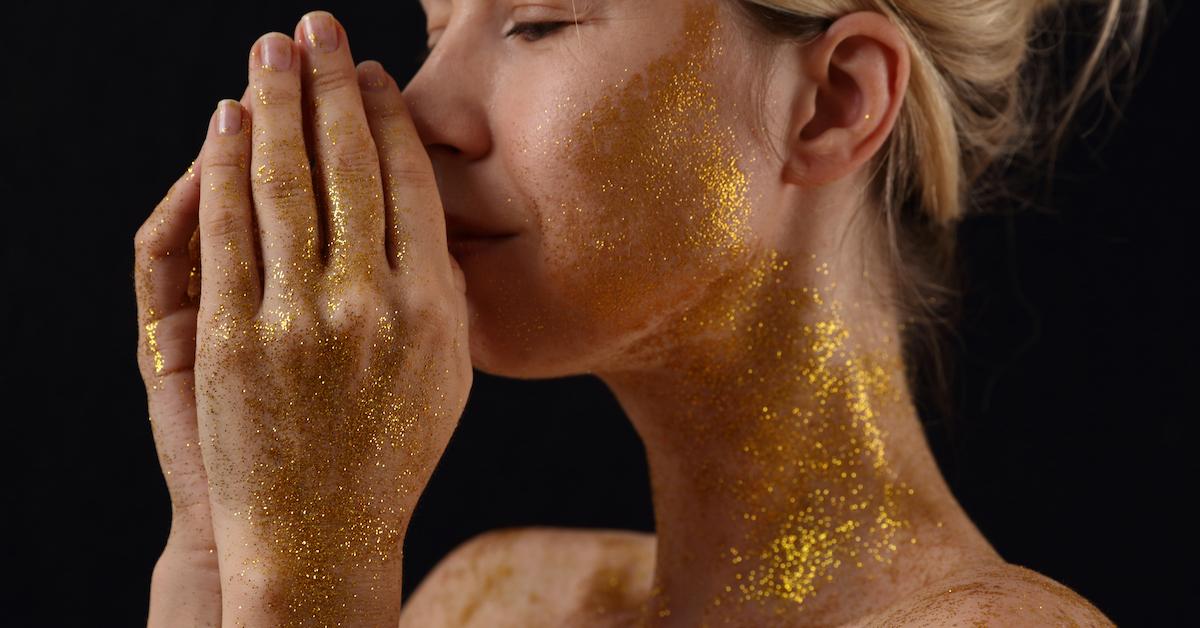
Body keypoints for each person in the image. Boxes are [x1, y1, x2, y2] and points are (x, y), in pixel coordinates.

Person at [133, 1, 1147, 626]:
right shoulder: (488, 604)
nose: (422, 109)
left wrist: (323, 578)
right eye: (437, 28)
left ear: (833, 101)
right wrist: (227, 547)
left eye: (537, 22)